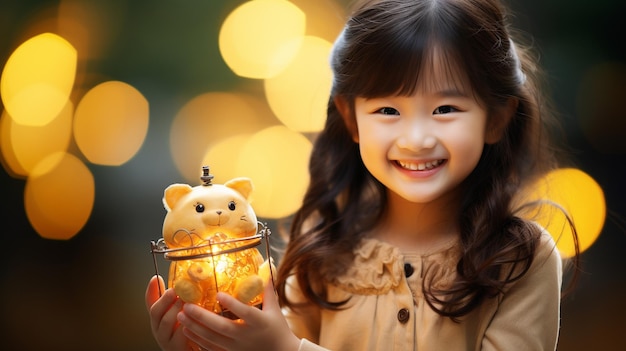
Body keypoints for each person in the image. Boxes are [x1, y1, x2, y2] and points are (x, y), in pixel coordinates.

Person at [146, 0, 580, 349]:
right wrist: (207, 342)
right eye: (387, 110)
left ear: (497, 118)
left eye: (445, 109)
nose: (415, 139)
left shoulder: (521, 260)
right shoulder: (325, 251)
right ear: (351, 120)